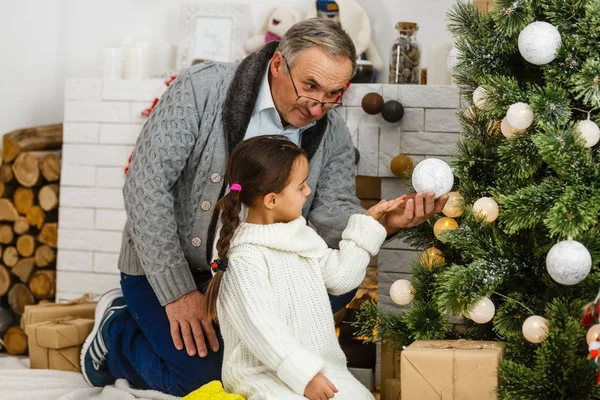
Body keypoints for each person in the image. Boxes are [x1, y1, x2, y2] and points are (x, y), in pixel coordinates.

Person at [80, 18, 448, 396]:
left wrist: (384, 223)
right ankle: (117, 332)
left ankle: (272, 354)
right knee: (210, 383)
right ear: (277, 65)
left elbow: (334, 214)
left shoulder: (331, 130)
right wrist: (177, 292)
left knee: (337, 285)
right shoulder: (200, 88)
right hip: (173, 269)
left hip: (256, 274)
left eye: (334, 94)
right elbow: (146, 187)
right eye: (310, 86)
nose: (318, 107)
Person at [205, 135, 401, 400]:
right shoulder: (244, 258)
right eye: (301, 187)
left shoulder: (301, 235)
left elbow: (341, 277)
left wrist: (367, 225)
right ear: (272, 200)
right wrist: (305, 376)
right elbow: (263, 329)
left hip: (319, 366)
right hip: (264, 373)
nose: (308, 191)